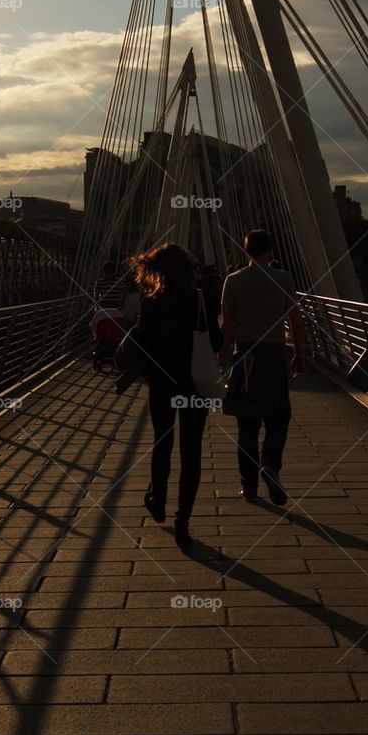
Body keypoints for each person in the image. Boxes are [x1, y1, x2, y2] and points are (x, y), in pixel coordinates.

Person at [130, 242, 221, 548]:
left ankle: (158, 500)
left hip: (162, 384)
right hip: (193, 385)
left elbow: (143, 344)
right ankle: (183, 521)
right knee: (191, 451)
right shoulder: (200, 300)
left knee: (162, 442)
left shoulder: (151, 302)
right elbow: (217, 341)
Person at [219, 229, 303, 506]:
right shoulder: (284, 278)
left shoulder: (233, 281)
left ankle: (249, 484)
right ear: (270, 251)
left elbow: (228, 325)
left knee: (247, 424)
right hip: (275, 355)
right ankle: (270, 465)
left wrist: (224, 355)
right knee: (279, 418)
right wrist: (298, 355)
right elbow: (295, 320)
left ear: (245, 252)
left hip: (246, 356)